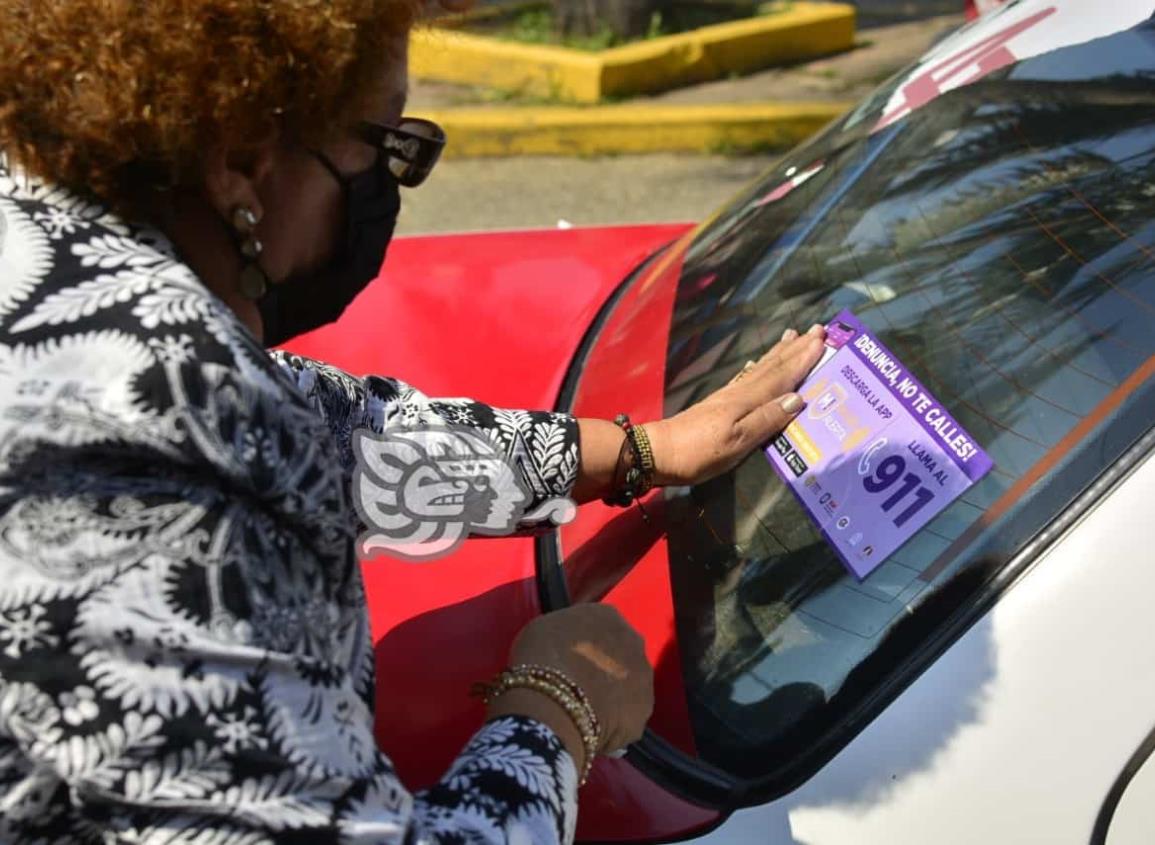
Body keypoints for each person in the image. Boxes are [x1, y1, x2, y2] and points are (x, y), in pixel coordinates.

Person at [0, 1, 825, 841]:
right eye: (384, 144)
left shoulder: (49, 245)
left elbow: (328, 424)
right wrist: (557, 710)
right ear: (243, 159)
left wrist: (638, 451)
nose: (381, 187)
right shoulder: (165, 436)